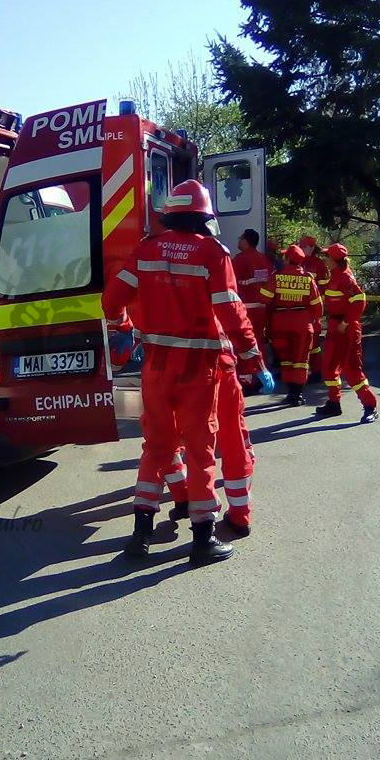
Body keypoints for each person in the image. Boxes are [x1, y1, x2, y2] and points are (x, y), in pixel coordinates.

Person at [101, 180, 274, 566]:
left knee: (156, 446)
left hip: (156, 366)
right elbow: (231, 311)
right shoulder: (212, 252)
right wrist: (254, 359)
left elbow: (111, 300)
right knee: (199, 449)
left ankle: (141, 534)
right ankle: (202, 538)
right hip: (199, 368)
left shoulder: (146, 250)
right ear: (203, 216)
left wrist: (122, 326)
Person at [165, 360, 255, 537]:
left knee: (176, 440)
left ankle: (184, 500)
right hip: (221, 370)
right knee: (235, 445)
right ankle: (240, 517)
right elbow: (245, 343)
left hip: (178, 373)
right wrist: (256, 365)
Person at [315, 243, 378, 423]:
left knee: (351, 371)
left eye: (327, 257)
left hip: (347, 329)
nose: (324, 259)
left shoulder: (346, 277)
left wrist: (346, 322)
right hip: (334, 327)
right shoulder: (334, 275)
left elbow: (360, 300)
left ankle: (370, 406)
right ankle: (334, 403)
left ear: (335, 260)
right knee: (329, 367)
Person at [266, 244, 323, 406]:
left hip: (280, 323)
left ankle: (291, 392)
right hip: (302, 323)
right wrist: (314, 320)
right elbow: (317, 306)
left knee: (285, 359)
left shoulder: (276, 276)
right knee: (301, 360)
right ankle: (296, 393)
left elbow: (265, 298)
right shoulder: (308, 278)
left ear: (288, 258)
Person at [232, 228, 276, 368]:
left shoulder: (240, 259)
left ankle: (248, 373)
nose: (239, 240)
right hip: (262, 308)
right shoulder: (264, 259)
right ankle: (261, 370)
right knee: (259, 340)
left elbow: (230, 280)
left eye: (240, 238)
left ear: (245, 241)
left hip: (246, 308)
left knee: (244, 341)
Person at [299, 235, 329, 383]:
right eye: (300, 246)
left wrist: (317, 305)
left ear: (311, 247)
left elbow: (324, 287)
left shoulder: (319, 264)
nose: (301, 248)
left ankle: (317, 371)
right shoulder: (298, 262)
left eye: (303, 246)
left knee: (314, 342)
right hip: (300, 308)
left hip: (313, 308)